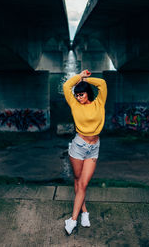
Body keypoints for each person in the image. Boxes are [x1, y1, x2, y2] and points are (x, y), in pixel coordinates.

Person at [62, 69, 107, 235]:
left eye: (81, 94)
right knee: (78, 180)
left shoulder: (99, 103)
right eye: (77, 95)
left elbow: (102, 84)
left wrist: (87, 80)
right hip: (78, 147)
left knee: (83, 183)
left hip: (94, 148)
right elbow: (67, 85)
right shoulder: (74, 104)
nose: (78, 97)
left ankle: (73, 220)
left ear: (87, 93)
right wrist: (79, 76)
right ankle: (85, 212)